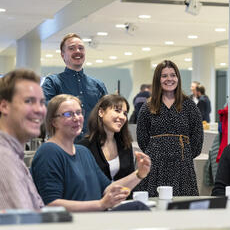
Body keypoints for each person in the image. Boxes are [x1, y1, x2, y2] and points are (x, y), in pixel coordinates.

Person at [31, 94, 151, 212]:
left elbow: (107, 188)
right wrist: (100, 204)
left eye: (79, 113)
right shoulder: (48, 152)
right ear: (53, 122)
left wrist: (139, 174)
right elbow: (51, 204)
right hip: (75, 224)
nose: (76, 118)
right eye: (68, 114)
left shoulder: (83, 152)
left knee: (139, 207)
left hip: (95, 218)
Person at [136, 60, 204, 197]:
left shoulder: (189, 106)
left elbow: (197, 138)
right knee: (155, 208)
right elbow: (142, 138)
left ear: (178, 78)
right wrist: (156, 153)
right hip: (155, 167)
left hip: (183, 167)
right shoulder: (148, 107)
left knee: (183, 209)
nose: (169, 79)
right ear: (158, 79)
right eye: (164, 76)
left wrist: (184, 156)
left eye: (173, 75)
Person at [42, 33, 108, 138]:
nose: (77, 51)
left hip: (93, 147)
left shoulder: (98, 85)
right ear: (62, 55)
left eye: (81, 48)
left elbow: (106, 115)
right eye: (72, 48)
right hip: (62, 146)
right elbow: (46, 111)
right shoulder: (52, 83)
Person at [0, 69, 46, 210]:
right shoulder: (4, 159)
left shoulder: (13, 156)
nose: (39, 109)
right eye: (29, 101)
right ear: (4, 106)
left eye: (42, 102)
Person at [78, 94, 135, 182]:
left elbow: (131, 179)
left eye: (125, 113)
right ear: (101, 112)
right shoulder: (84, 147)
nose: (122, 117)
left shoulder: (125, 144)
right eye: (117, 110)